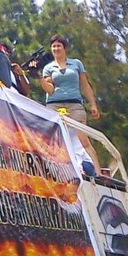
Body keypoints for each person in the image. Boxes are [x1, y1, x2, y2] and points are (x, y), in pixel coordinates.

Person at [40, 34, 101, 173]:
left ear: (65, 48)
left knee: (83, 140)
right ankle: (58, 170)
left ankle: (98, 173)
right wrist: (40, 78)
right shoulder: (49, 67)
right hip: (55, 105)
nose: (56, 49)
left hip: (74, 105)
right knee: (57, 140)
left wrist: (93, 104)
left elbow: (85, 85)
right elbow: (49, 89)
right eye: (53, 46)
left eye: (59, 46)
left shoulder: (76, 64)